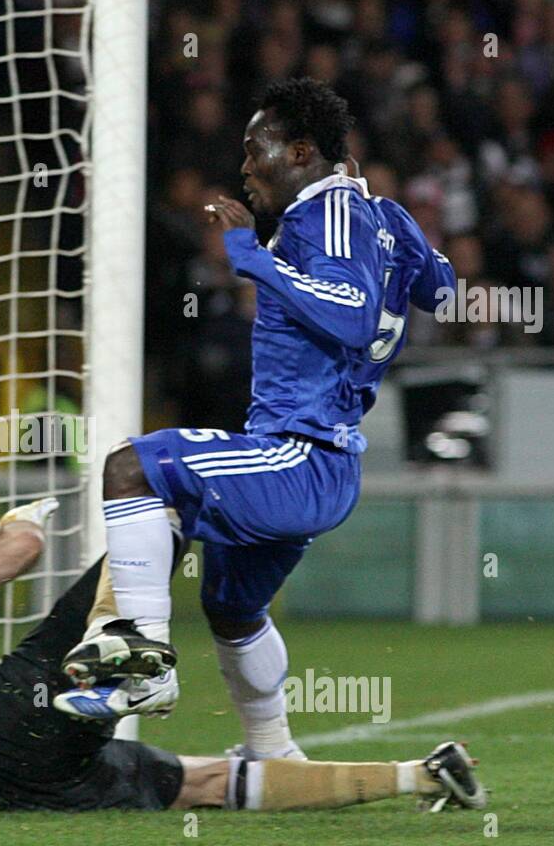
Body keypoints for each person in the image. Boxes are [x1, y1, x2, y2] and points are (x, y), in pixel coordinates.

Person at [55, 78, 455, 764]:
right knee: (233, 609)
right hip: (318, 460)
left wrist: (251, 258)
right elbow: (442, 291)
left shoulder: (322, 215)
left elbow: (353, 315)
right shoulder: (379, 215)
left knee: (132, 468)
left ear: (302, 151)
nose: (244, 169)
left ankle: (144, 661)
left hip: (300, 454)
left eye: (254, 150)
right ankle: (271, 748)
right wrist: (405, 241)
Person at [0, 497, 486, 814]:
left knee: (207, 784)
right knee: (154, 501)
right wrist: (19, 518)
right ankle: (131, 647)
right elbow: (17, 554)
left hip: (24, 788)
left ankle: (421, 777)